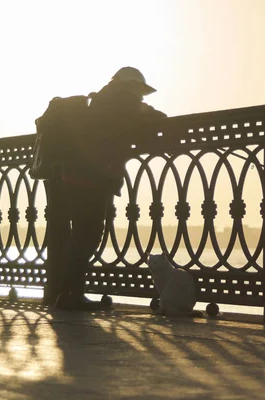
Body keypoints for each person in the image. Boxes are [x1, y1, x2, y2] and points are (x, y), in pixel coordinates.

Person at [51, 67, 167, 311]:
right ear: (130, 86)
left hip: (74, 176)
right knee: (87, 235)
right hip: (92, 179)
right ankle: (72, 294)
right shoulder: (122, 101)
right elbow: (153, 118)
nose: (141, 96)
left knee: (80, 235)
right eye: (140, 91)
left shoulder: (101, 100)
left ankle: (67, 293)